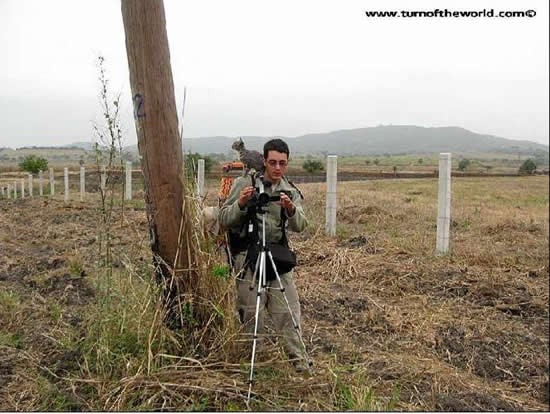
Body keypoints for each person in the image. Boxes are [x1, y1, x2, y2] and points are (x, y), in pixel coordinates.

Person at [218, 138, 311, 373]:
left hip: (277, 258)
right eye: (272, 162)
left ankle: (300, 364)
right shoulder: (245, 183)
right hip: (249, 259)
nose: (277, 168)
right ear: (264, 161)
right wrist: (241, 204)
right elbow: (224, 218)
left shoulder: (288, 189)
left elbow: (301, 225)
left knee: (289, 314)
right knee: (251, 316)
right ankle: (252, 368)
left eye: (282, 163)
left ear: (287, 164)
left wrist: (290, 209)